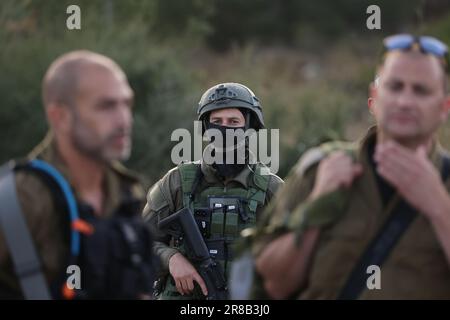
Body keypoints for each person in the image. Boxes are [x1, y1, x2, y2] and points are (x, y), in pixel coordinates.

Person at [253, 34, 450, 299]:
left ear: (443, 107)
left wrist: (438, 207)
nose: (405, 101)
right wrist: (318, 206)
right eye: (395, 87)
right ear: (375, 97)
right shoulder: (321, 168)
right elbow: (275, 285)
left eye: (421, 90)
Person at [0, 50, 156, 299]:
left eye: (126, 104)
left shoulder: (127, 193)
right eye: (106, 106)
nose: (123, 120)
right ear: (60, 117)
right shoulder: (19, 198)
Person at [143, 82, 283, 299]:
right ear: (207, 128)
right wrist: (171, 258)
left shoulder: (271, 188)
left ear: (249, 127)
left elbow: (297, 254)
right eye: (217, 122)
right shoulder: (177, 181)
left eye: (233, 122)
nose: (224, 129)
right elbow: (139, 240)